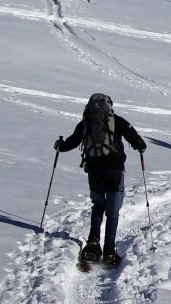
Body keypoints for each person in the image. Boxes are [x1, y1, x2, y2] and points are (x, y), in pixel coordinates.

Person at [54, 93, 146, 267]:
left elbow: (72, 143)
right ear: (109, 106)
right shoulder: (117, 120)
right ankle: (109, 250)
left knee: (98, 206)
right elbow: (136, 140)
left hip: (94, 170)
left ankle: (92, 244)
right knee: (112, 211)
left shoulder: (86, 122)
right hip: (114, 170)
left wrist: (60, 146)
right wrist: (140, 146)